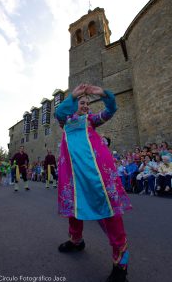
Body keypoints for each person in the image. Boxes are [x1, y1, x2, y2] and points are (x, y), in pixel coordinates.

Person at [55, 84, 132, 282]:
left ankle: (121, 264)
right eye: (82, 103)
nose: (86, 106)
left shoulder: (92, 120)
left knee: (108, 211)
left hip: (97, 172)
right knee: (75, 207)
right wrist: (73, 96)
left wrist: (104, 94)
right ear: (74, 104)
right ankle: (76, 240)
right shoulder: (65, 120)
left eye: (88, 103)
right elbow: (59, 111)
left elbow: (111, 110)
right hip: (73, 173)